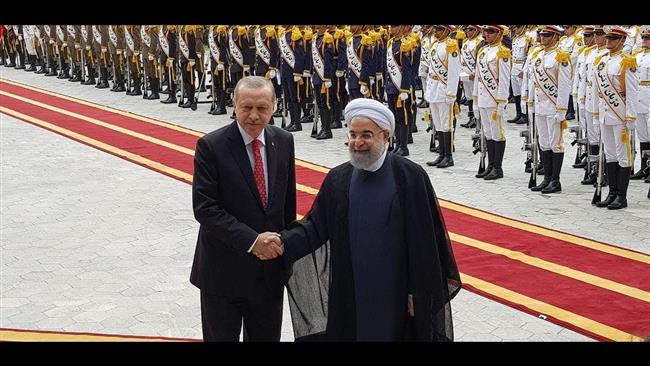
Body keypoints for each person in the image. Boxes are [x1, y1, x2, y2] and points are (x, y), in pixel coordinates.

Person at [263, 98, 461, 341]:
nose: (357, 142)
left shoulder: (409, 177)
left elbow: (426, 242)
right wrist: (282, 242)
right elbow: (315, 227)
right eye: (353, 134)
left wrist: (418, 292)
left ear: (385, 135)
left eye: (366, 135)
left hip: (395, 289)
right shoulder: (338, 179)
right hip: (352, 286)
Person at [190, 76, 297, 341]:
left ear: (274, 106)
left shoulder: (284, 141)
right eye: (246, 107)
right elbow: (205, 209)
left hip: (268, 275)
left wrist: (286, 250)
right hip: (223, 274)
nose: (253, 115)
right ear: (234, 104)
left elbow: (287, 205)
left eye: (262, 108)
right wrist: (252, 241)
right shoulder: (211, 146)